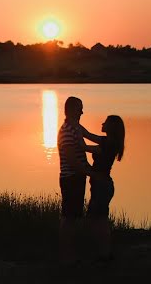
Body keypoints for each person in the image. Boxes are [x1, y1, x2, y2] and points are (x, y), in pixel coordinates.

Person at [82, 115, 126, 261]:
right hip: (102, 185)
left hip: (102, 186)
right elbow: (87, 135)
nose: (102, 123)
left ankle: (104, 254)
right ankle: (104, 253)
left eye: (105, 122)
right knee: (100, 220)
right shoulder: (108, 142)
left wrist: (75, 135)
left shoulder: (108, 144)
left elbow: (86, 145)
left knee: (96, 220)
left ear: (111, 127)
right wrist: (75, 127)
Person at [58, 96, 92, 264]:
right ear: (72, 110)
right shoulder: (67, 131)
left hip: (77, 178)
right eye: (80, 109)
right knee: (69, 216)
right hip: (70, 179)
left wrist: (107, 143)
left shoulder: (76, 128)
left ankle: (71, 252)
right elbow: (72, 160)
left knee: (73, 215)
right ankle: (66, 254)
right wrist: (92, 173)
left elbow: (91, 137)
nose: (82, 112)